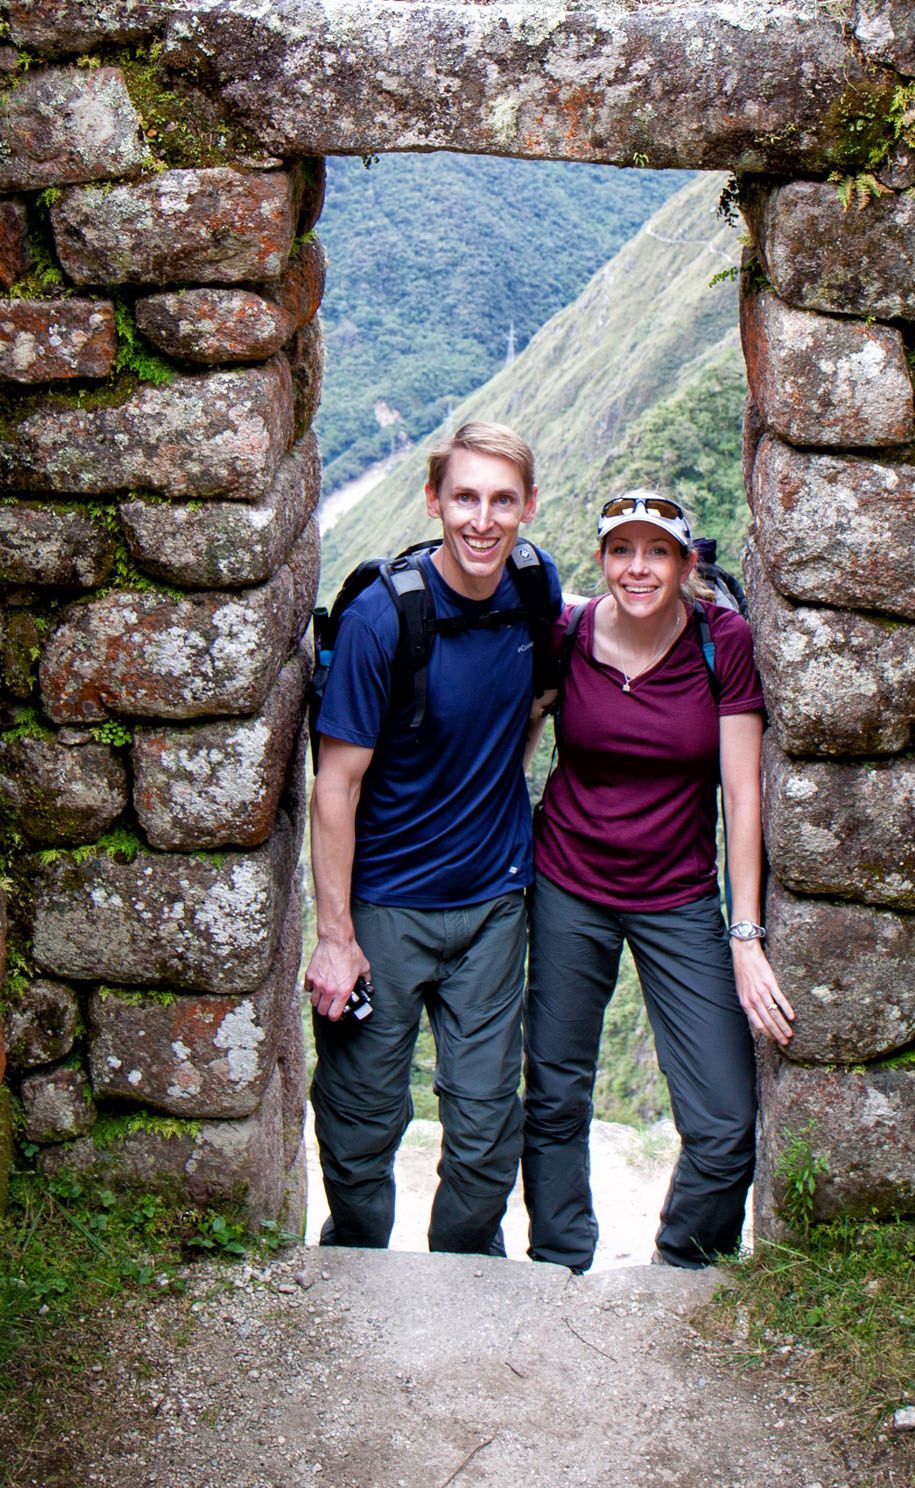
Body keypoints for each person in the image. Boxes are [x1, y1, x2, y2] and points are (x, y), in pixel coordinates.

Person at [304, 421, 561, 1256]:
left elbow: (533, 703)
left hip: (492, 904)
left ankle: (464, 1274)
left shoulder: (535, 587)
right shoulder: (383, 619)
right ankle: (355, 1264)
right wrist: (335, 937)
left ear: (527, 505)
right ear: (433, 500)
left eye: (501, 500)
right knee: (360, 1117)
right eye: (464, 498)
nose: (482, 520)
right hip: (385, 907)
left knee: (486, 1129)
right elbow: (335, 784)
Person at [522, 492, 794, 1273]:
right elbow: (518, 738)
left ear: (683, 563)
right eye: (621, 550)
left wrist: (744, 934)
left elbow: (741, 794)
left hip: (678, 894)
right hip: (567, 882)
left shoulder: (720, 641)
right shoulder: (568, 634)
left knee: (723, 1116)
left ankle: (683, 1265)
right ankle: (558, 1263)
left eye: (655, 552)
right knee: (555, 1095)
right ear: (601, 558)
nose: (636, 568)